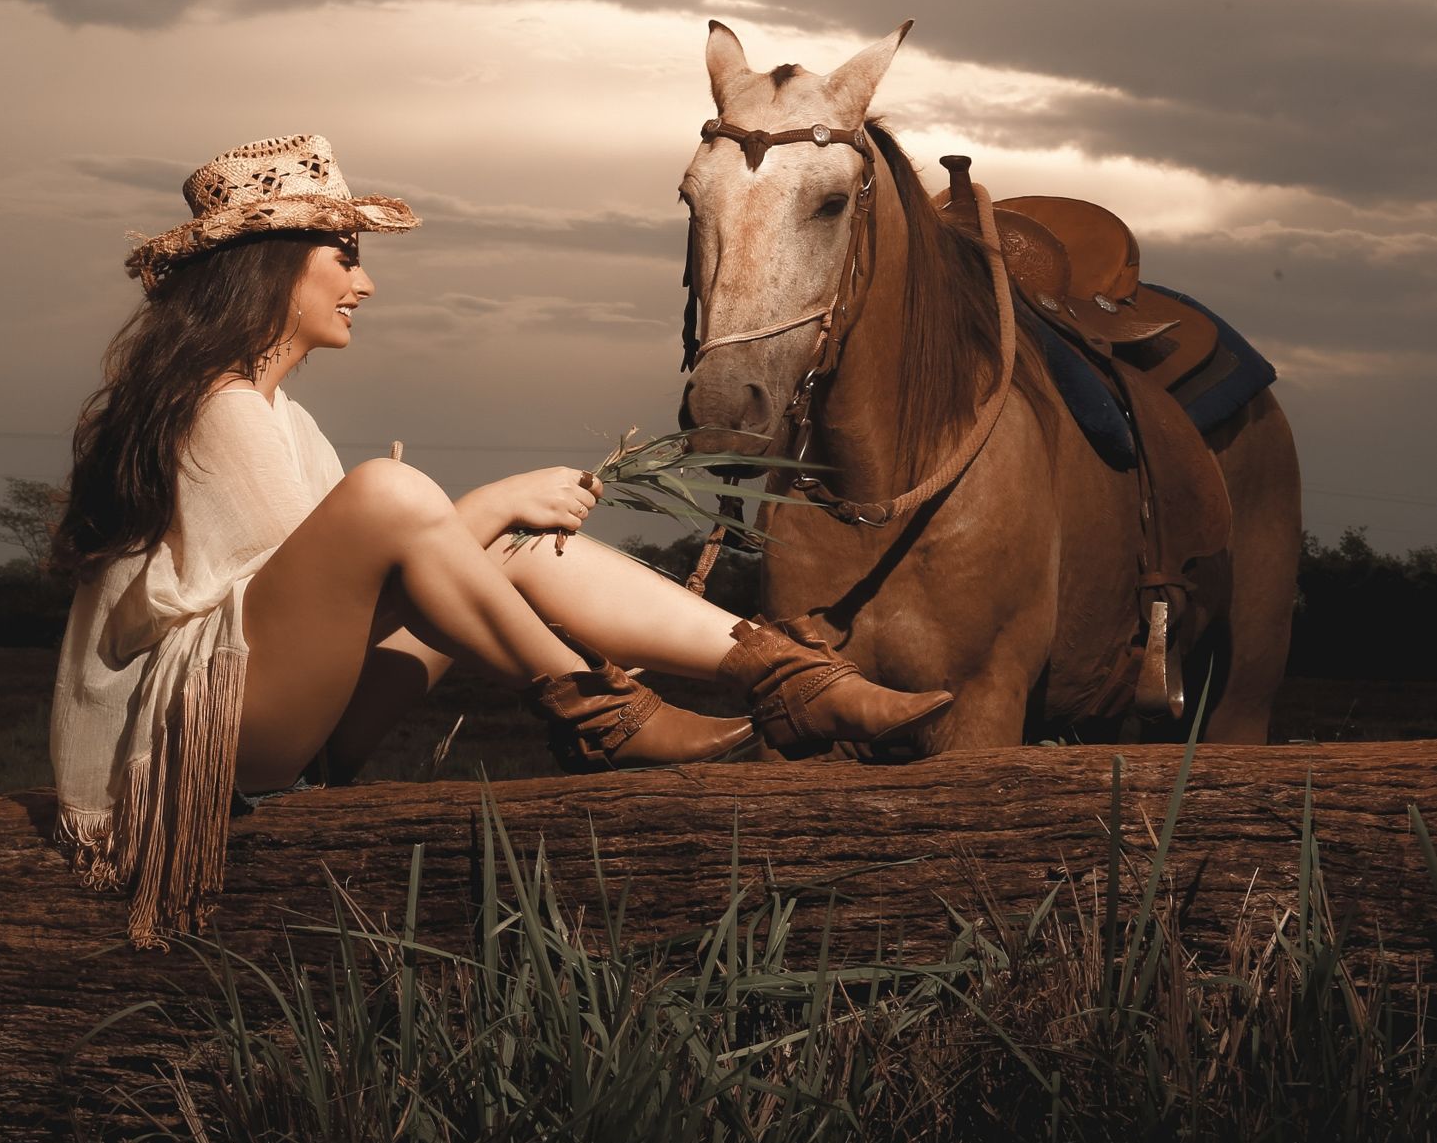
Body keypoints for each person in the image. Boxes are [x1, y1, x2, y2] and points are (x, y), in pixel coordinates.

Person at [48, 133, 950, 945]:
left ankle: (784, 679)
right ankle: (605, 712)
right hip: (193, 751)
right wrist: (481, 506)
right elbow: (331, 603)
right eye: (343, 256)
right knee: (395, 494)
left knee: (497, 538)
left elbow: (349, 606)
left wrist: (483, 523)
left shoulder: (285, 418)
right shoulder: (219, 409)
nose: (364, 284)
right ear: (272, 268)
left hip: (286, 735)